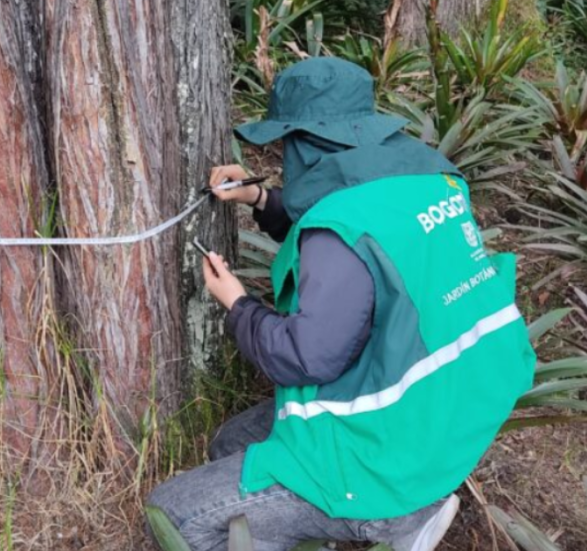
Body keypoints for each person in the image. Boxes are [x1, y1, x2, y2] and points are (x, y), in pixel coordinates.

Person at [146, 57, 535, 551]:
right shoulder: (431, 180)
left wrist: (238, 305)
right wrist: (261, 198)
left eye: (286, 141)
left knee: (172, 515)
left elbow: (308, 356)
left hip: (383, 462)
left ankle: (390, 520)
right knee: (233, 442)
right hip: (446, 416)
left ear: (304, 141)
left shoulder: (340, 227)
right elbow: (367, 235)